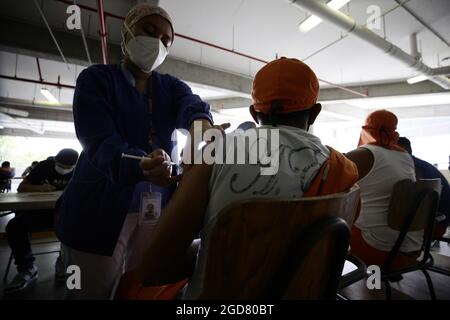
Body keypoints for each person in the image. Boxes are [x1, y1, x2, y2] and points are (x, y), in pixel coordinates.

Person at [135, 57, 359, 299]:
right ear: (314, 113)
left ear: (253, 112)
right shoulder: (343, 169)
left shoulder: (214, 153)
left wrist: (220, 250)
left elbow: (153, 269)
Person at [55, 4, 227, 300]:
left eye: (165, 41)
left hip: (153, 212)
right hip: (98, 210)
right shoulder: (96, 80)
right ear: (126, 33)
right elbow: (99, 141)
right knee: (90, 292)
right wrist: (140, 165)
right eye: (149, 31)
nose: (156, 43)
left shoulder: (169, 87)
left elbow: (192, 104)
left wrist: (200, 125)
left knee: (143, 288)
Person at [345, 110, 419, 268]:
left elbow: (332, 183)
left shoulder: (363, 154)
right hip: (409, 244)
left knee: (331, 220)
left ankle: (321, 284)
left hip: (376, 245)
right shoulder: (405, 156)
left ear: (365, 130)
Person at [4, 149, 79, 294]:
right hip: (40, 213)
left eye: (68, 167)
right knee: (14, 226)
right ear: (55, 160)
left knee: (79, 225)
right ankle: (27, 268)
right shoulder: (44, 166)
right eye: (60, 165)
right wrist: (40, 188)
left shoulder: (80, 169)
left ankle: (64, 261)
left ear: (74, 166)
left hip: (64, 214)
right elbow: (21, 188)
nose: (63, 169)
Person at [398, 137, 450, 238]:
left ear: (403, 149)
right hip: (441, 219)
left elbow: (414, 203)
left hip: (436, 225)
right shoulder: (418, 163)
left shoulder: (412, 167)